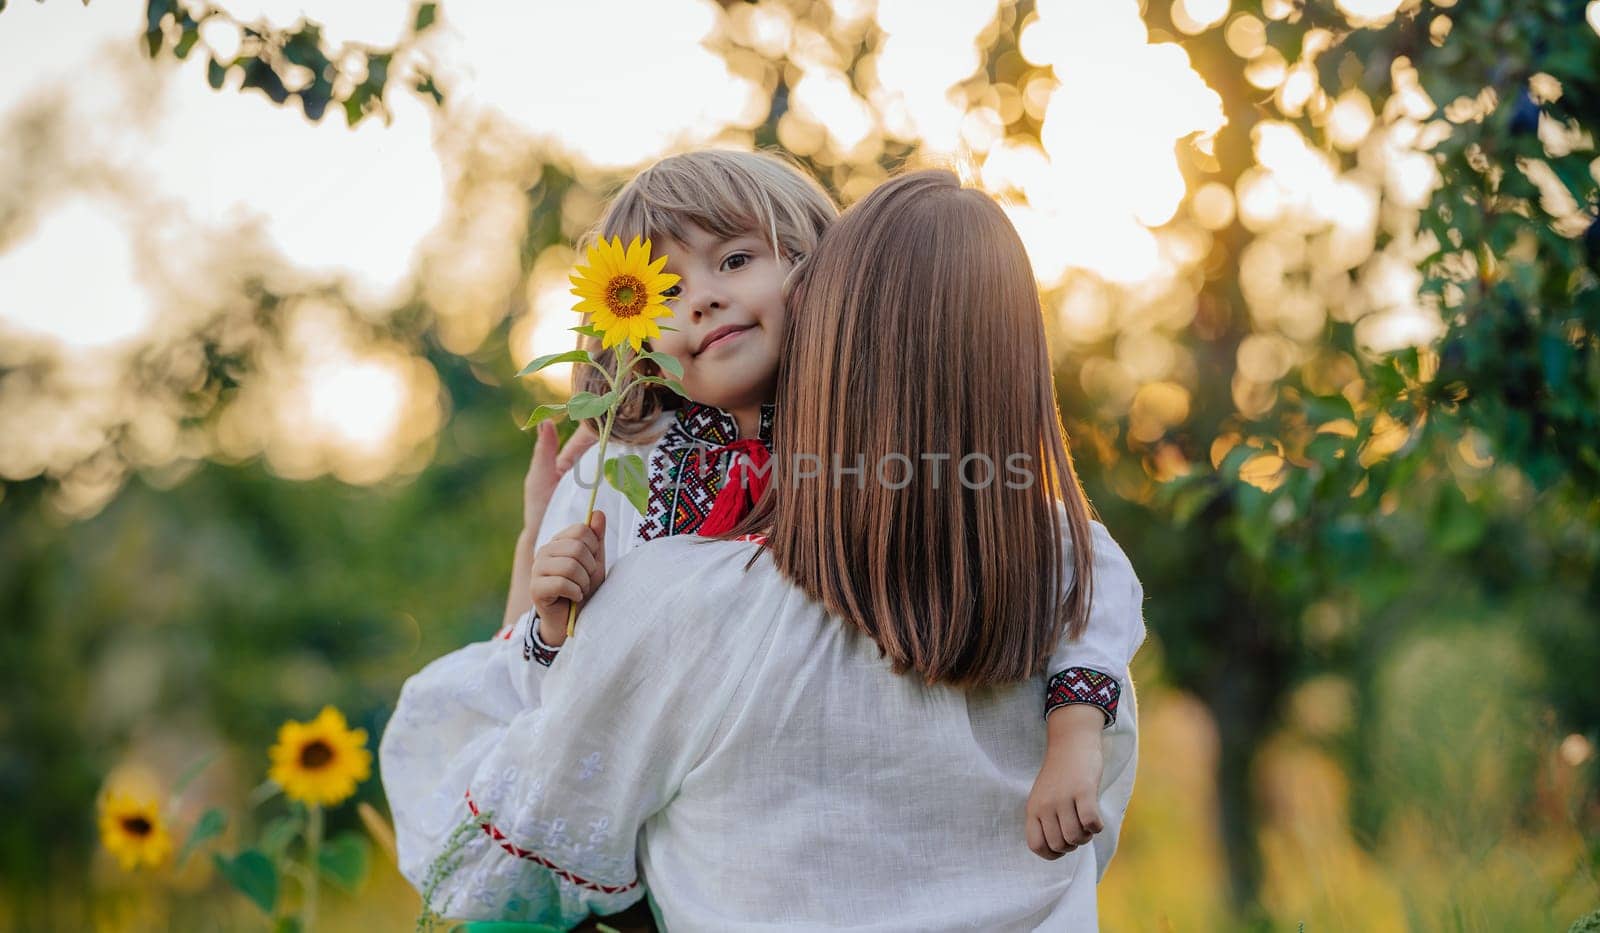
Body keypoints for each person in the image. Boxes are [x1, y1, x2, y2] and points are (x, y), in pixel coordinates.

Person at [381, 170, 1146, 929]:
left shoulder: (917, 482)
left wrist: (1074, 726)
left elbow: (1079, 567)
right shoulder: (620, 470)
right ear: (636, 342)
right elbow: (557, 705)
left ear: (821, 275)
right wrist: (546, 608)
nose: (704, 297)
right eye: (663, 293)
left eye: (737, 260)